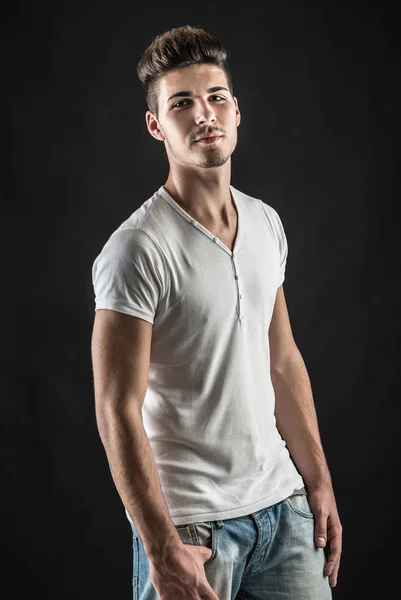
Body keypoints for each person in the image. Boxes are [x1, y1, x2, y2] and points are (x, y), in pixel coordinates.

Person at [91, 24, 342, 600]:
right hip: (192, 528)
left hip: (285, 510)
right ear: (157, 125)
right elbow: (117, 409)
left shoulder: (266, 222)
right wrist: (161, 547)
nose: (204, 114)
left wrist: (318, 483)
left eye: (216, 98)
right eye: (181, 104)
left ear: (236, 111)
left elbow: (282, 361)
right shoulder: (137, 249)